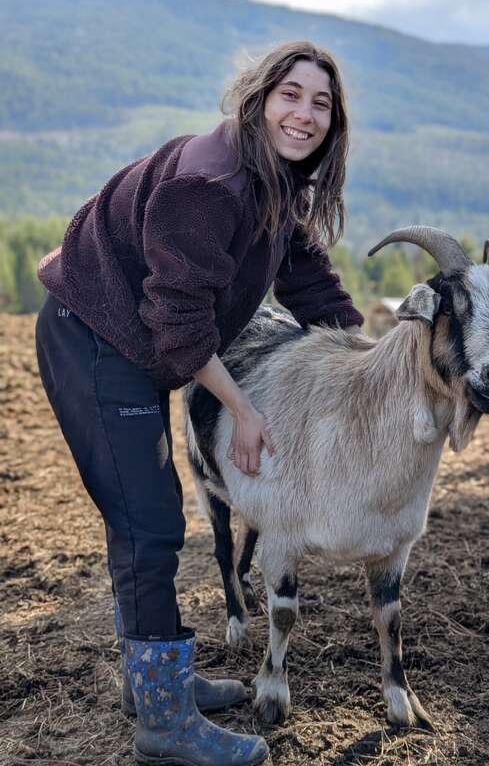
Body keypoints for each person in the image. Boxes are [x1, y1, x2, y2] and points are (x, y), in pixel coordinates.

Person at [35, 40, 364, 766]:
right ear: (259, 98)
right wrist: (243, 409)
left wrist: (370, 368)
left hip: (134, 344)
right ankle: (164, 723)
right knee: (148, 521)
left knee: (143, 517)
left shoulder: (275, 184)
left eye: (321, 103)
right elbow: (179, 321)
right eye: (290, 95)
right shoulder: (209, 185)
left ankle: (152, 683)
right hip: (93, 336)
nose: (305, 114)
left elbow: (310, 284)